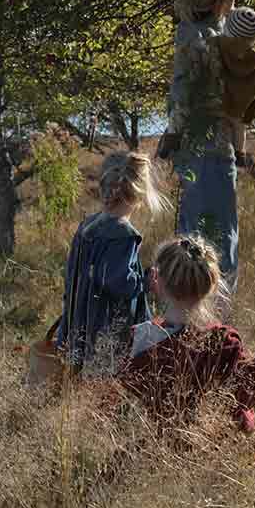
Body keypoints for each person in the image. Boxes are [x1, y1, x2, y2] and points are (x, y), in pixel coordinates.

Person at [120, 234, 255, 433]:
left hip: (156, 449)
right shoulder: (221, 341)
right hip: (215, 445)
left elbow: (123, 405)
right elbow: (244, 394)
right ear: (213, 284)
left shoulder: (138, 338)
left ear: (156, 279)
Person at [156, 0, 241, 304]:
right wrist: (171, 134)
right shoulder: (210, 42)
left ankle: (192, 310)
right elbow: (183, 95)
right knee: (215, 238)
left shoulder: (193, 30)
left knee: (196, 230)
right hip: (211, 153)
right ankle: (212, 315)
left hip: (195, 152)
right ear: (218, 1)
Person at [55, 151, 169, 375]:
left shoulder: (87, 226)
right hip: (105, 328)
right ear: (137, 196)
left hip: (80, 319)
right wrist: (145, 281)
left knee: (79, 376)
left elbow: (73, 273)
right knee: (106, 381)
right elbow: (119, 283)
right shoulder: (122, 235)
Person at [217, 6, 255, 169]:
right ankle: (239, 154)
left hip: (219, 107)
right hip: (238, 110)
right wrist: (250, 116)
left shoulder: (219, 49)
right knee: (239, 126)